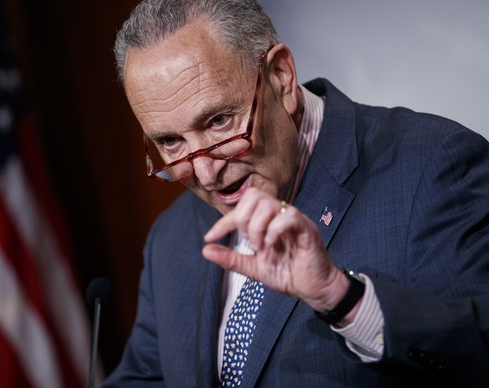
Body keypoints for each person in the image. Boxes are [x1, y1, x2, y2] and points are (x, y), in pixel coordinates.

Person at [103, 0, 489, 386]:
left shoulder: (434, 166)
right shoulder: (171, 236)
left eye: (219, 121)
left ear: (281, 77)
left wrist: (343, 298)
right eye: (170, 141)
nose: (206, 173)